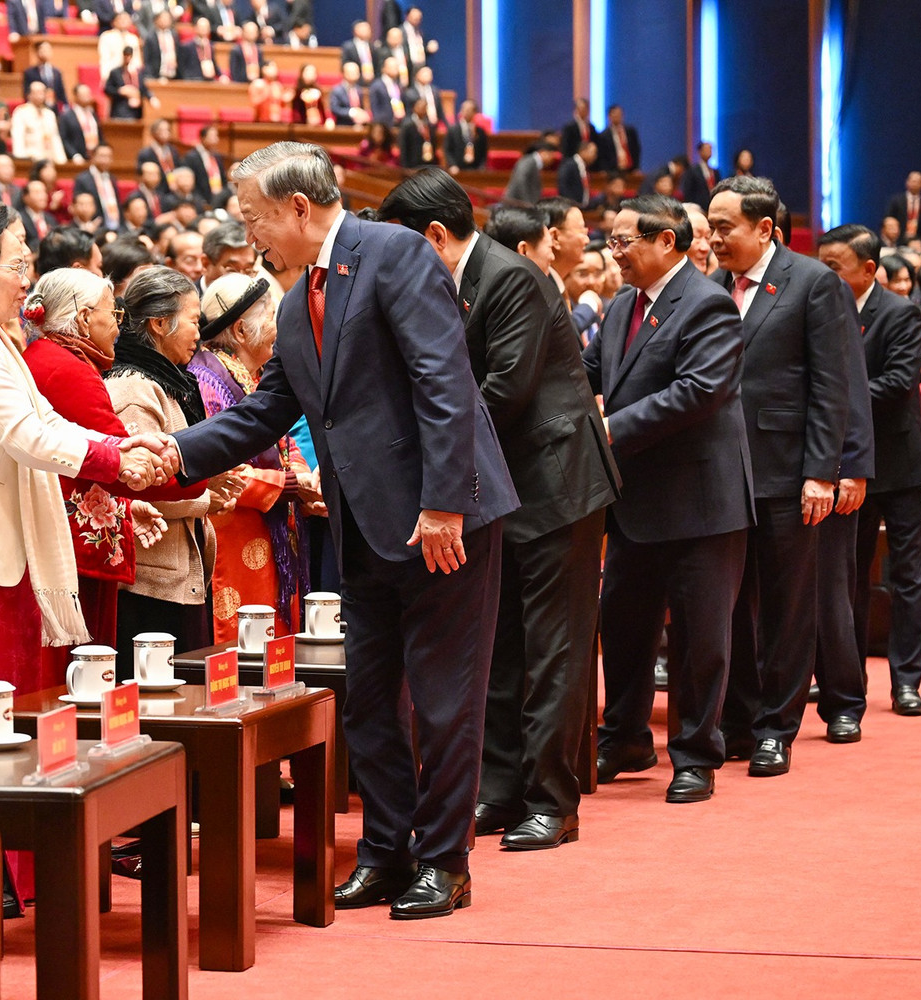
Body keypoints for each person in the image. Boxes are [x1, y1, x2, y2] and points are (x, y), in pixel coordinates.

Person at [154, 142, 518, 919]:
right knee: (368, 704)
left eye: (253, 218)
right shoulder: (292, 301)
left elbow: (443, 380)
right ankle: (386, 851)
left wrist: (444, 503)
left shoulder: (393, 253)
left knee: (445, 699)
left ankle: (444, 861)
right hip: (366, 525)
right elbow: (262, 413)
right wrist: (173, 452)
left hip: (438, 518)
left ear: (297, 207)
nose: (249, 234)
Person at [379, 167, 618, 847]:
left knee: (554, 649)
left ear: (432, 235)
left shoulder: (511, 276)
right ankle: (503, 790)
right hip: (498, 490)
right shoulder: (444, 282)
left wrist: (420, 448)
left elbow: (503, 391)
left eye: (401, 246)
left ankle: (553, 801)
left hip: (555, 486)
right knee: (503, 649)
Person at [0, 203, 169, 691]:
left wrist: (121, 443)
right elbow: (25, 435)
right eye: (17, 267)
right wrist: (117, 460)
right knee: (9, 698)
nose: (25, 284)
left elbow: (48, 418)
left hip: (16, 534)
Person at [585, 193, 753, 804]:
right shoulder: (621, 304)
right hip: (635, 499)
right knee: (624, 625)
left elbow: (697, 391)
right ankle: (625, 736)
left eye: (624, 241)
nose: (615, 253)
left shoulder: (708, 304)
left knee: (700, 636)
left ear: (667, 242)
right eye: (611, 241)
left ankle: (696, 754)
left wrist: (608, 429)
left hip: (700, 501)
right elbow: (589, 373)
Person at [707, 176, 851, 776]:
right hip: (719, 473)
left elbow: (831, 386)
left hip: (788, 471)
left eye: (723, 227)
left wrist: (822, 471)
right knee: (728, 605)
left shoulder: (812, 282)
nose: (712, 239)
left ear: (764, 228)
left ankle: (777, 727)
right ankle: (737, 721)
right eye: (709, 227)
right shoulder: (712, 286)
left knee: (789, 604)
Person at [20, 266, 204, 660]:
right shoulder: (69, 369)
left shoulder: (52, 358)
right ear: (85, 317)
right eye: (112, 313)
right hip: (69, 548)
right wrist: (199, 471)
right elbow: (120, 461)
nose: (119, 325)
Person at [818, 224, 921, 721]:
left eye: (834, 267)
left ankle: (906, 681)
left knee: (908, 574)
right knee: (848, 575)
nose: (824, 274)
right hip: (848, 460)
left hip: (899, 460)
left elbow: (898, 382)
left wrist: (829, 399)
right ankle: (848, 680)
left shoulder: (899, 312)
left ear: (868, 270)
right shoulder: (819, 307)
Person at [105, 266, 238, 669]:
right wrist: (205, 497)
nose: (199, 334)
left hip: (176, 573)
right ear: (161, 324)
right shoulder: (133, 388)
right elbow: (136, 486)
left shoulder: (166, 381)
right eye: (194, 321)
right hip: (151, 580)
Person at [190, 273, 320, 641]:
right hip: (236, 532)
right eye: (271, 317)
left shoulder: (256, 376)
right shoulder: (207, 380)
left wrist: (302, 476)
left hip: (273, 524)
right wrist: (289, 484)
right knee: (245, 645)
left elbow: (284, 439)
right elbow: (217, 466)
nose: (280, 328)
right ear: (242, 333)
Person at [884, 171, 921, 244]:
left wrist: (920, 241)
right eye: (913, 181)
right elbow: (888, 219)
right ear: (907, 182)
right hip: (898, 240)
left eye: (918, 182)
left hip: (919, 242)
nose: (915, 184)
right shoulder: (896, 201)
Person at [444, 99, 485, 173]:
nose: (466, 112)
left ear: (474, 112)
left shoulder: (480, 131)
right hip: (457, 169)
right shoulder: (453, 130)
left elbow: (484, 152)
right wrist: (452, 165)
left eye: (469, 110)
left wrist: (481, 167)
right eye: (464, 109)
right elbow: (448, 150)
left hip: (475, 170)